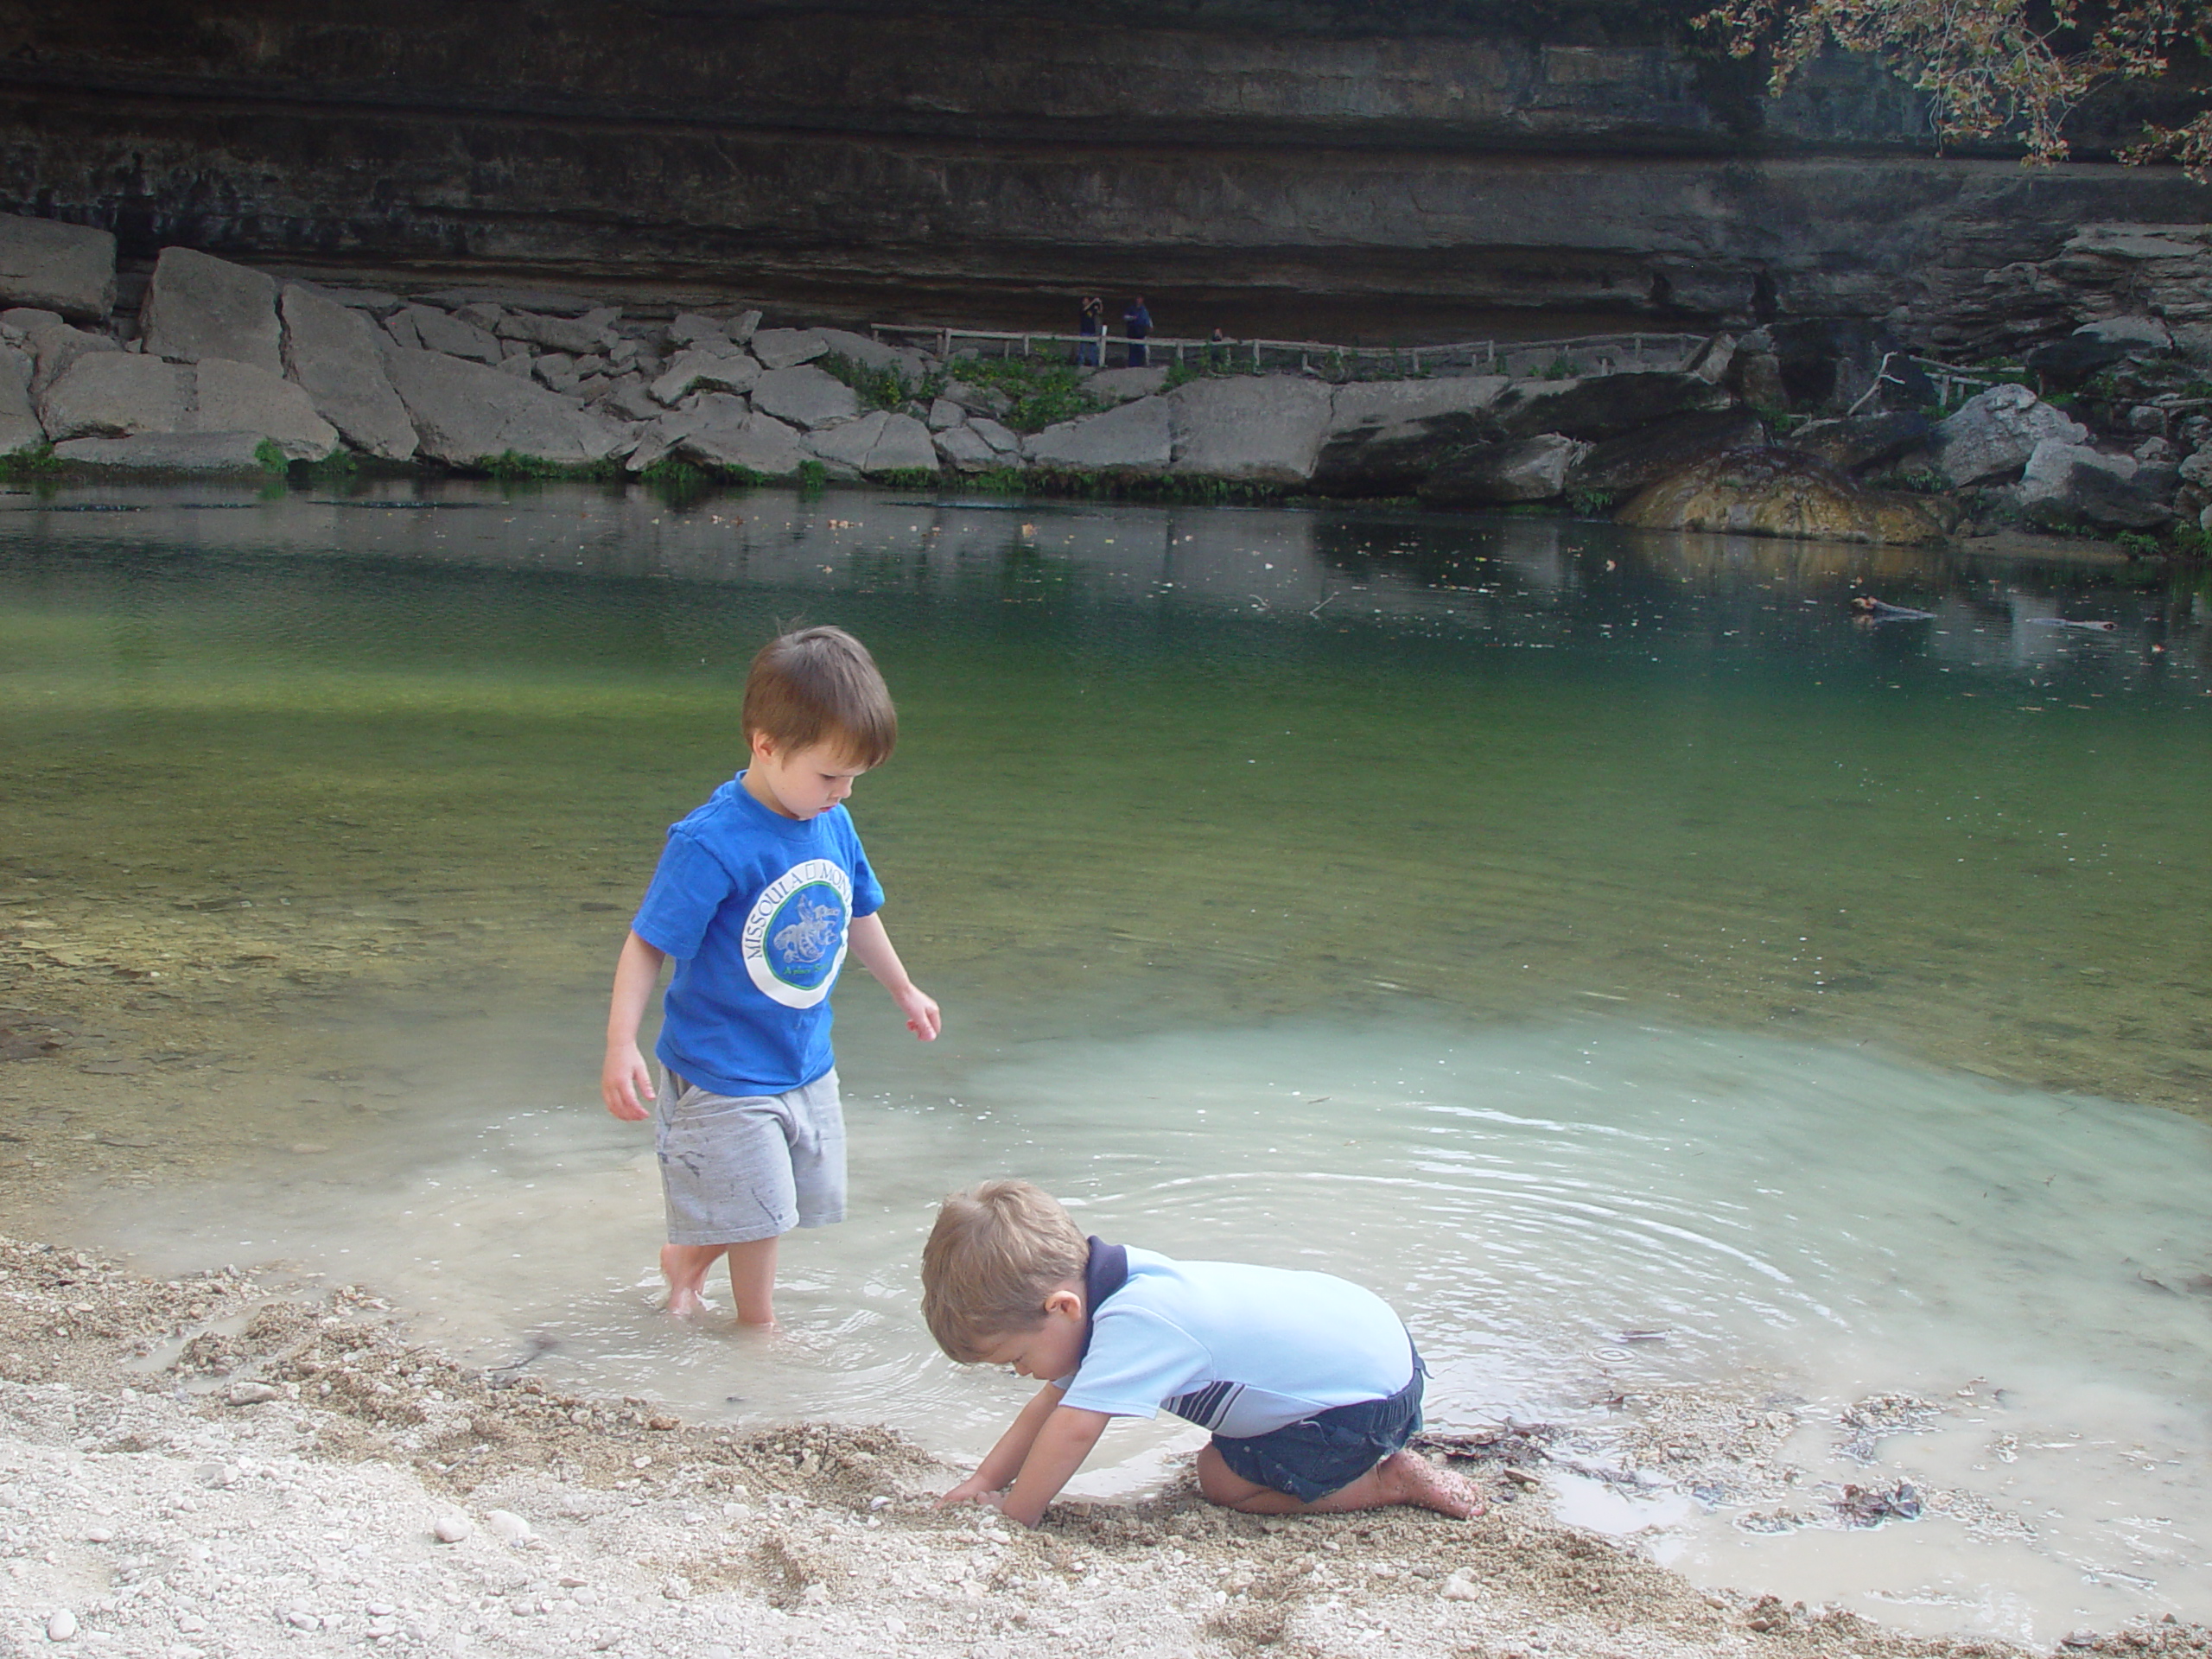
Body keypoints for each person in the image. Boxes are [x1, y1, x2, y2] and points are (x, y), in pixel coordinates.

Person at [601, 626, 942, 1326]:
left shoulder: (831, 822)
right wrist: (620, 1044)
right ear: (765, 745)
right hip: (723, 1068)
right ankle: (757, 1329)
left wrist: (904, 988)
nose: (843, 794)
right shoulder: (710, 842)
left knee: (781, 1199)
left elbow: (856, 912)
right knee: (761, 1214)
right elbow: (647, 944)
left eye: (855, 780)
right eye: (829, 775)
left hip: (803, 1058)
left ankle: (686, 1262)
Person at [921, 1179, 1486, 1528]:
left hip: (1360, 1407)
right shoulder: (1121, 1280)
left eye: (1015, 1358)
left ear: (1062, 1308)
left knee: (1220, 1478)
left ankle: (1385, 1482)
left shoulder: (1135, 1326)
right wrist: (985, 1483)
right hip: (1380, 1344)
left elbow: (1070, 1429)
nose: (1022, 1374)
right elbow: (1049, 1407)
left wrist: (1018, 1515)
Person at [1122, 296, 1152, 368]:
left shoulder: (1144, 310)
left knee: (1141, 348)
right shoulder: (1131, 309)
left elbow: (1147, 318)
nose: (1139, 300)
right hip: (1132, 331)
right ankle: (1132, 364)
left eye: (1141, 299)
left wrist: (1150, 325)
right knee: (1133, 348)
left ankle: (1141, 364)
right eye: (1138, 299)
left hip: (1141, 332)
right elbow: (1125, 317)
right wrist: (1132, 318)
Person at [1077, 296, 1103, 367]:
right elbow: (1085, 309)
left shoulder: (1091, 309)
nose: (1087, 302)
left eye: (1088, 301)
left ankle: (1093, 364)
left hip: (1092, 331)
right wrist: (1093, 302)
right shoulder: (1082, 309)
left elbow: (1100, 312)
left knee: (1093, 349)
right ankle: (1081, 364)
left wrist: (1100, 303)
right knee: (1083, 349)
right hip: (1084, 331)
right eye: (1085, 301)